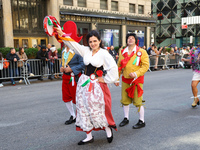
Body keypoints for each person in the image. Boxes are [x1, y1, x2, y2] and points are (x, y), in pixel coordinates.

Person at [56, 27, 119, 145]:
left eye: (95, 41)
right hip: (84, 83)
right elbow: (72, 44)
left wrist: (105, 79)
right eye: (90, 41)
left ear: (99, 41)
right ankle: (88, 135)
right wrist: (62, 34)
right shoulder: (86, 51)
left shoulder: (104, 53)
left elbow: (113, 67)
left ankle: (107, 129)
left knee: (98, 108)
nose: (93, 43)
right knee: (83, 108)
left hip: (96, 84)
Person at [115, 33, 149, 129]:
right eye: (128, 38)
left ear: (136, 40)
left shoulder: (141, 51)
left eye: (132, 38)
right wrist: (116, 78)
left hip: (136, 80)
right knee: (125, 100)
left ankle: (141, 120)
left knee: (138, 101)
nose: (130, 40)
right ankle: (126, 118)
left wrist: (136, 73)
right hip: (125, 79)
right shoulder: (122, 52)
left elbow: (145, 66)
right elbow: (119, 66)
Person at [60, 43, 85, 125]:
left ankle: (81, 116)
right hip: (65, 77)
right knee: (66, 97)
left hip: (74, 77)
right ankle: (73, 115)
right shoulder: (63, 51)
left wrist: (72, 69)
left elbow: (83, 64)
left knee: (77, 98)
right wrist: (61, 67)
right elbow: (63, 62)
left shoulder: (77, 51)